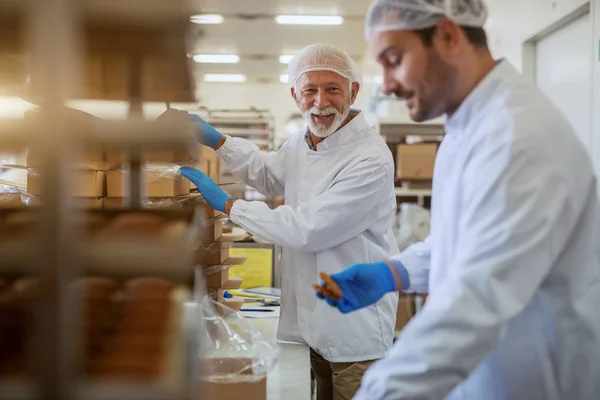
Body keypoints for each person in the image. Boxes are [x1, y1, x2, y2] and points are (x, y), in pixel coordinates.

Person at [314, 1, 600, 399]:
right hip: (482, 377)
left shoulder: (519, 138)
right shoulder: (463, 131)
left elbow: (476, 299)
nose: (388, 84)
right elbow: (467, 242)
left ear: (448, 36)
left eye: (394, 60)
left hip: (537, 381)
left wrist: (377, 393)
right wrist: (394, 272)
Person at [180, 44, 400, 400]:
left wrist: (230, 205)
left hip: (355, 328)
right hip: (316, 318)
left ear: (353, 92)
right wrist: (218, 142)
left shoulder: (369, 158)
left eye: (333, 89)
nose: (320, 102)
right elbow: (269, 175)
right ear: (295, 94)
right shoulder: (303, 142)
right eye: (310, 90)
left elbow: (307, 228)